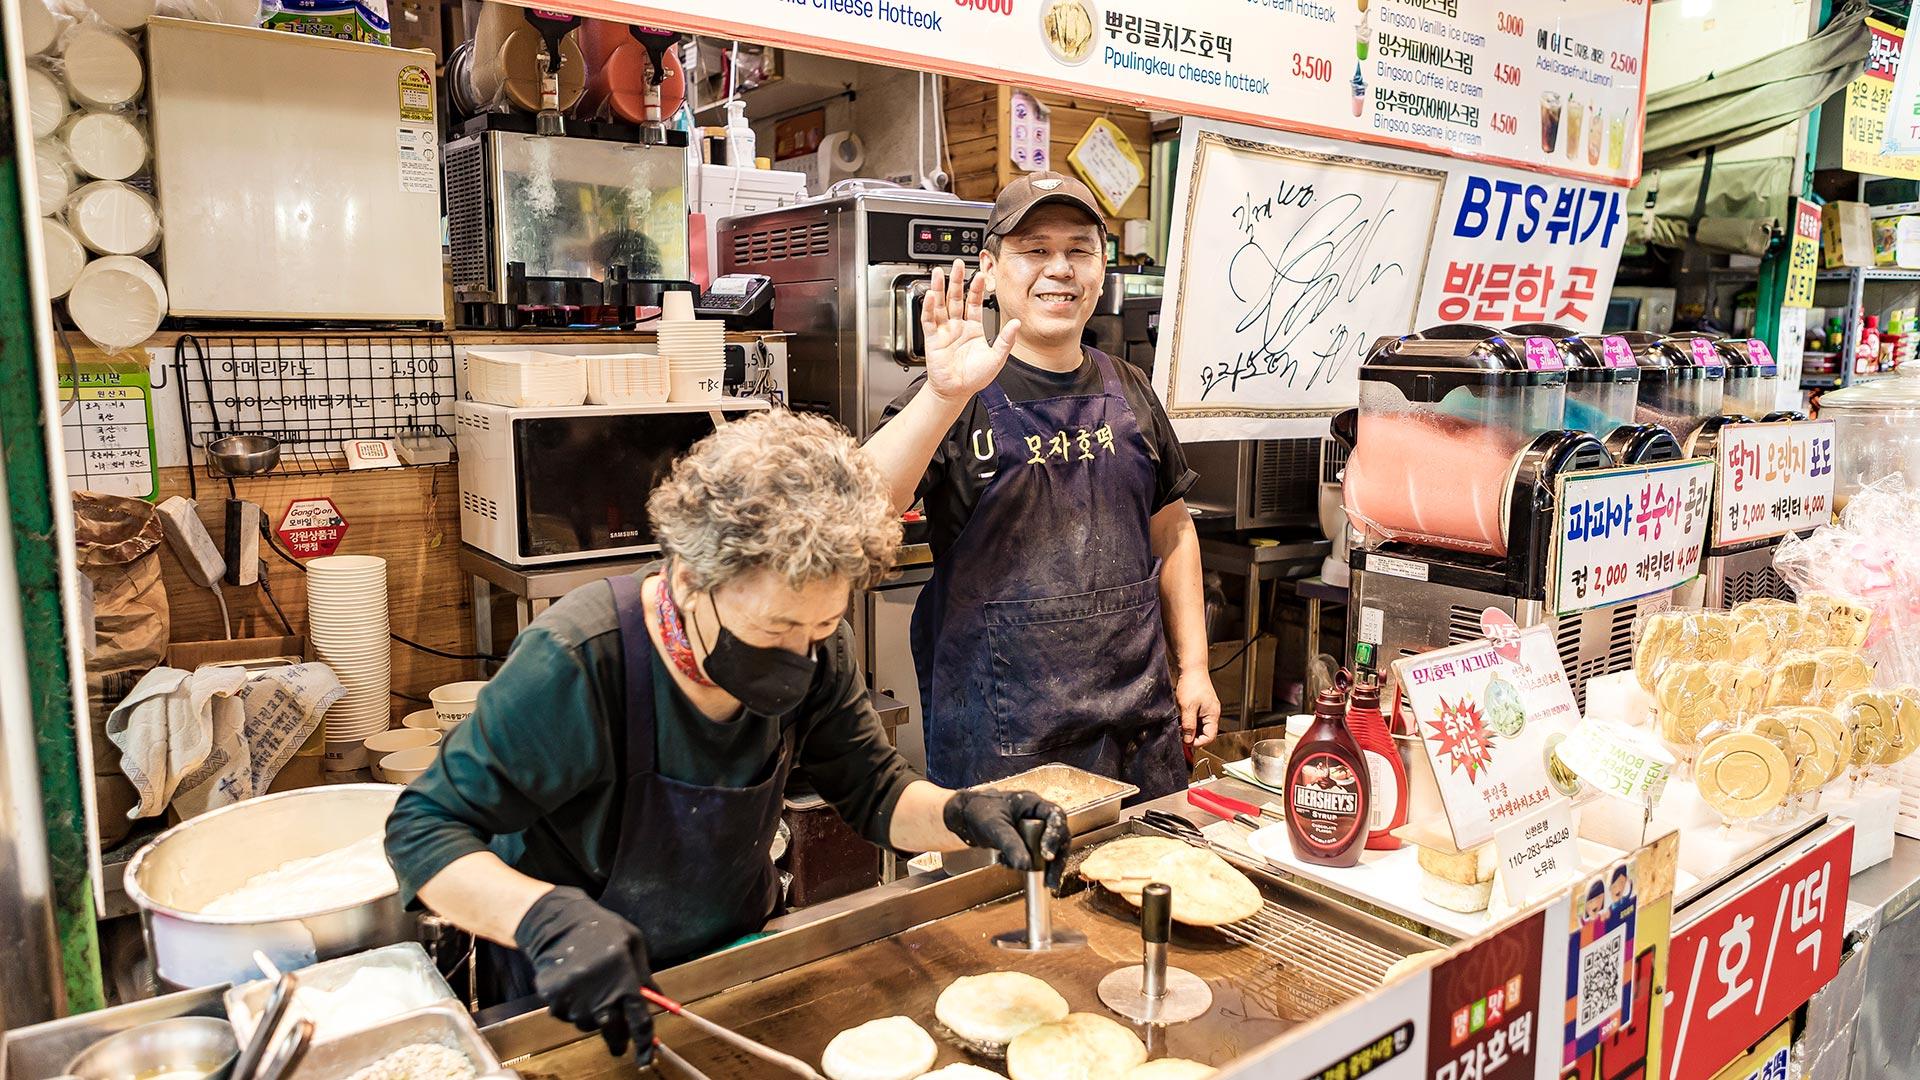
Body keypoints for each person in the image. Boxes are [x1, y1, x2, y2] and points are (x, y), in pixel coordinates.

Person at [384, 411, 1069, 1065]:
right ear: (690, 578)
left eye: (821, 628)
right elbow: (423, 830)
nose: (800, 654)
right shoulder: (581, 659)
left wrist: (963, 814)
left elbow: (875, 792)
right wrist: (544, 920)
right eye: (774, 631)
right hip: (577, 999)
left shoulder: (820, 651)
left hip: (737, 965)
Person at [866, 171, 1218, 800]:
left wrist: (1193, 668)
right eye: (1034, 250)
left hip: (1139, 726)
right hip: (1006, 744)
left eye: (1078, 250)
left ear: (1101, 267)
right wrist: (944, 394)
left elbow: (1174, 530)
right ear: (990, 267)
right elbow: (859, 506)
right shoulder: (956, 396)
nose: (1059, 268)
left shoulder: (1130, 387)